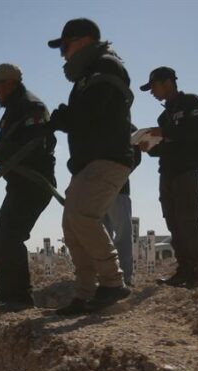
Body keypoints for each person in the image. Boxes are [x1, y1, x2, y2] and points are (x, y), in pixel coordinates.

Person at [46, 18, 134, 315]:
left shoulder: (107, 66)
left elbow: (93, 112)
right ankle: (84, 295)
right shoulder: (89, 75)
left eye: (65, 47)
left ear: (83, 41)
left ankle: (112, 283)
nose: (64, 55)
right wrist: (65, 119)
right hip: (89, 162)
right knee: (72, 227)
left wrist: (65, 120)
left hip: (107, 158)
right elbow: (84, 113)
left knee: (83, 217)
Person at [0, 63, 56, 312]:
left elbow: (33, 143)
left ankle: (20, 297)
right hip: (20, 184)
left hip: (34, 183)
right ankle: (4, 294)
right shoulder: (14, 110)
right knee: (1, 239)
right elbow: (14, 143)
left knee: (10, 236)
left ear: (10, 83)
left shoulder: (32, 107)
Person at [138, 67, 198, 288]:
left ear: (168, 82)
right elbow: (162, 148)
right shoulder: (163, 116)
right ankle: (183, 270)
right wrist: (148, 145)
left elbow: (191, 131)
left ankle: (196, 273)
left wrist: (163, 133)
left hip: (187, 171)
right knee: (173, 223)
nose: (152, 93)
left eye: (154, 87)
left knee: (188, 221)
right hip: (167, 173)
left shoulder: (191, 102)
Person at [102, 146, 141, 286]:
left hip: (118, 189)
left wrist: (119, 173)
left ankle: (124, 277)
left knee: (122, 235)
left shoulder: (126, 127)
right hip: (96, 191)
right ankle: (106, 277)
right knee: (101, 237)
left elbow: (136, 155)